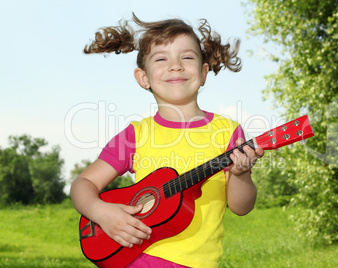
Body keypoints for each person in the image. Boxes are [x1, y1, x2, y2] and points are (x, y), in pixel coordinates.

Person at [70, 12, 264, 268]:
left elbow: (241, 207)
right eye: (161, 59)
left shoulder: (227, 131)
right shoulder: (135, 135)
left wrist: (241, 174)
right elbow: (82, 184)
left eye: (187, 57)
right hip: (137, 257)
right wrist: (101, 212)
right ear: (144, 78)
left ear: (204, 72)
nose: (176, 65)